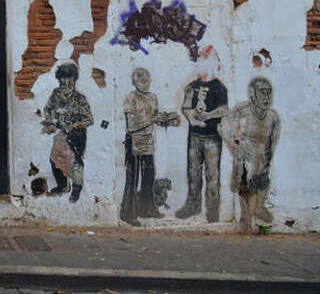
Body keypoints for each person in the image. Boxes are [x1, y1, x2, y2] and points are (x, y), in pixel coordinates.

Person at [175, 46, 228, 222]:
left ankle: (213, 211)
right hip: (195, 137)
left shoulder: (219, 87)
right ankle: (193, 205)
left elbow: (224, 109)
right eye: (199, 60)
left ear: (213, 63)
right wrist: (193, 118)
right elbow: (186, 107)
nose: (200, 64)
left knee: (212, 176)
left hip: (212, 137)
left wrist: (208, 115)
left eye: (204, 60)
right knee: (193, 173)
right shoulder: (192, 86)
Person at [120, 67, 179, 225]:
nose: (146, 84)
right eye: (142, 81)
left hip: (147, 141)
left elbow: (155, 118)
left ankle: (148, 210)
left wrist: (166, 119)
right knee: (132, 180)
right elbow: (131, 126)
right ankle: (128, 214)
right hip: (133, 142)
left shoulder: (153, 97)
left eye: (147, 81)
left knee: (149, 178)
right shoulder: (130, 98)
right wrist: (153, 119)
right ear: (135, 82)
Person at [220, 77, 280, 233]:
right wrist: (237, 147)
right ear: (252, 93)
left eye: (269, 92)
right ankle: (247, 224)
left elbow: (272, 144)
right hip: (244, 165)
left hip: (262, 167)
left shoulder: (273, 117)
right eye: (262, 92)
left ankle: (255, 222)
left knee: (258, 202)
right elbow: (224, 128)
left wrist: (266, 163)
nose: (266, 97)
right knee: (247, 196)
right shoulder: (242, 111)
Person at [42, 62, 93, 203]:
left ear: (74, 80)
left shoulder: (80, 99)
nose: (66, 85)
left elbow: (89, 119)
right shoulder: (56, 94)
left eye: (69, 81)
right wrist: (52, 119)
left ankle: (77, 188)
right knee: (54, 158)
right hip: (62, 133)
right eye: (63, 82)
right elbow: (47, 109)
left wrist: (75, 125)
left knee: (75, 162)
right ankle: (63, 185)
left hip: (77, 135)